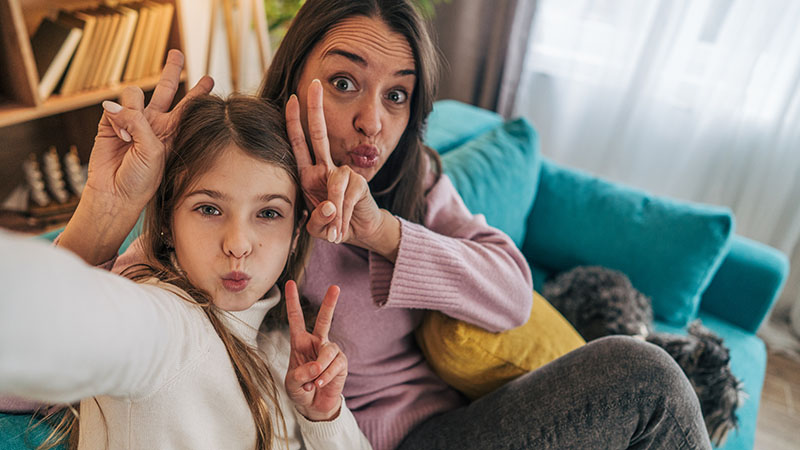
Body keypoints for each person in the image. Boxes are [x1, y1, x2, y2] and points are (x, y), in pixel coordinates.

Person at [52, 1, 713, 449]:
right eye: (345, 83)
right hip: (378, 440)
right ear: (292, 75)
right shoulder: (251, 180)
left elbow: (512, 294)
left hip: (470, 419)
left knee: (647, 377)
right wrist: (114, 208)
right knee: (645, 376)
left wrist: (379, 231)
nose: (375, 121)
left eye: (396, 94)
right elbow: (131, 287)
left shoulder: (410, 179)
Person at [0, 94, 372, 450]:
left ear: (295, 233)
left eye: (269, 213)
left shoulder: (285, 350)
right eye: (209, 209)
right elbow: (42, 314)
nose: (238, 244)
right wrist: (102, 205)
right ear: (167, 222)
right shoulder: (168, 324)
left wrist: (324, 417)